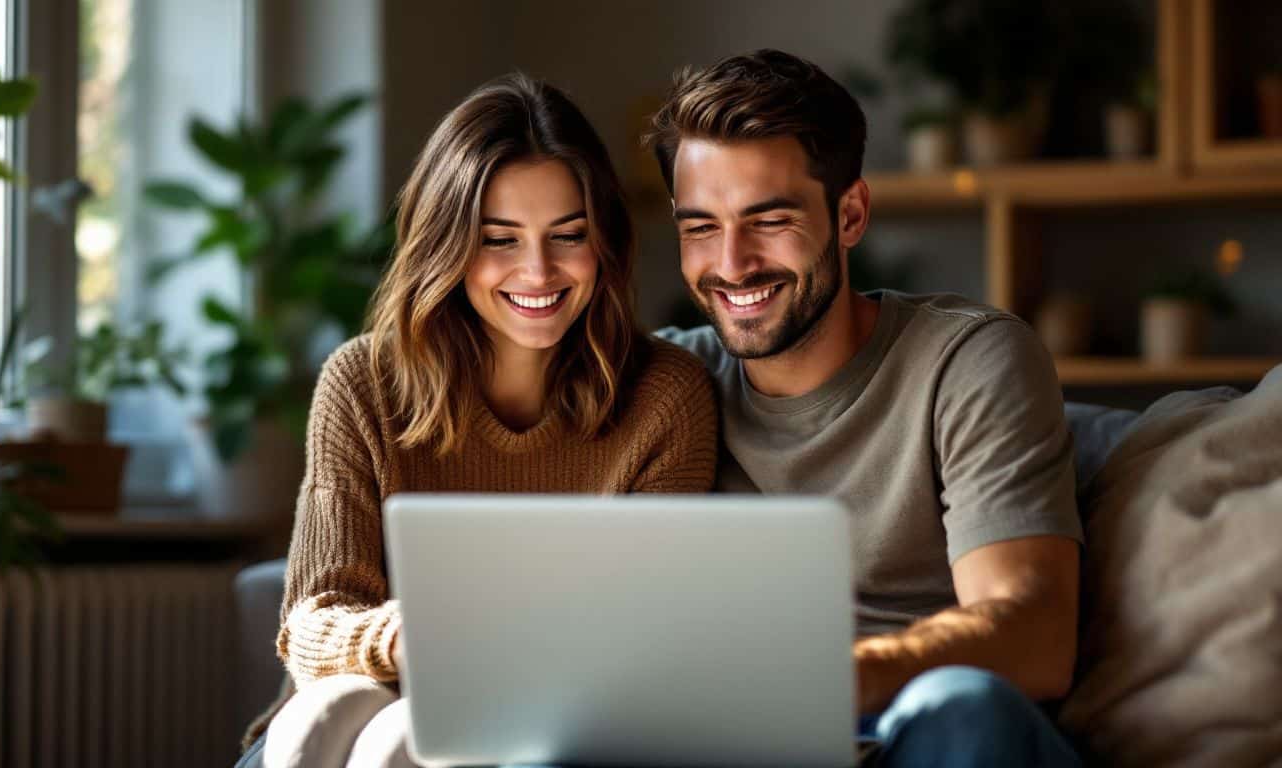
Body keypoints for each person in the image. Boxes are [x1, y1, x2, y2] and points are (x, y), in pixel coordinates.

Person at [237, 73, 718, 768]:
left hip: (549, 727)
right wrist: (414, 636)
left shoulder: (666, 398)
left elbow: (644, 638)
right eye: (499, 239)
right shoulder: (363, 382)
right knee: (341, 718)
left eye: (568, 235)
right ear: (448, 245)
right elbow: (313, 620)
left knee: (408, 743)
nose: (538, 271)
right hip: (334, 726)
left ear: (604, 240)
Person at [647, 49, 1084, 767]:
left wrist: (838, 678)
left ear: (849, 214)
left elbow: (1034, 634)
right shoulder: (669, 377)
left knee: (962, 707)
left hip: (915, 737)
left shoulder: (968, 360)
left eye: (769, 218)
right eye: (700, 227)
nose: (731, 262)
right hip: (733, 745)